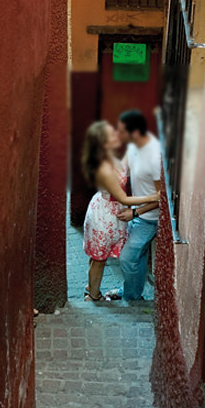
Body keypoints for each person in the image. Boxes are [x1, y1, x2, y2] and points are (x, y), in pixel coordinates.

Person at [80, 120, 159, 302]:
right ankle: (93, 295)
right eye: (111, 134)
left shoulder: (111, 157)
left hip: (112, 212)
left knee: (98, 256)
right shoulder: (104, 168)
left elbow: (127, 166)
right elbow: (123, 199)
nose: (117, 134)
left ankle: (92, 284)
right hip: (105, 215)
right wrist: (154, 197)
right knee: (99, 258)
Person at [114, 109, 163, 301]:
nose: (120, 135)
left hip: (149, 219)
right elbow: (121, 168)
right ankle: (132, 291)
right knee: (138, 256)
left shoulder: (153, 156)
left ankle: (132, 297)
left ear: (134, 133)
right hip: (137, 213)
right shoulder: (134, 146)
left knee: (127, 258)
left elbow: (161, 197)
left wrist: (135, 213)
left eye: (122, 131)